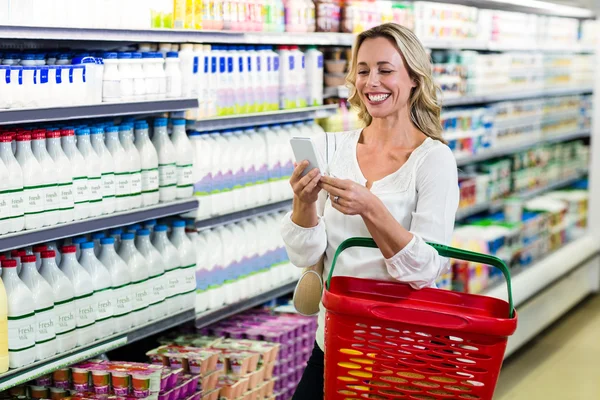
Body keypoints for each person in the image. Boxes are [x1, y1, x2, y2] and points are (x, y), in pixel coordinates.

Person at [280, 23, 460, 399]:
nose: (371, 81)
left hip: (403, 350)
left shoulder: (433, 160)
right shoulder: (330, 148)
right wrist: (304, 202)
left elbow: (426, 269)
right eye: (363, 70)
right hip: (335, 339)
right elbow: (305, 255)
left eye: (385, 69)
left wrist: (372, 209)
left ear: (413, 77)